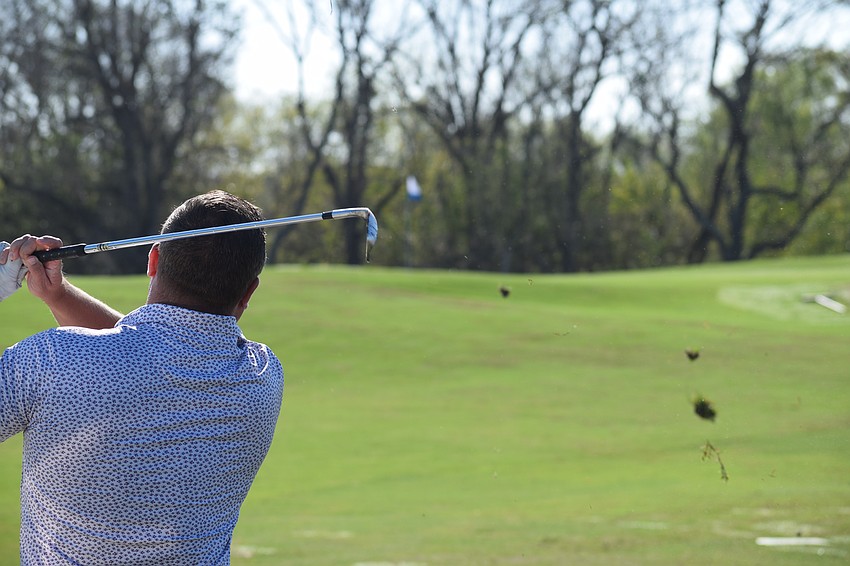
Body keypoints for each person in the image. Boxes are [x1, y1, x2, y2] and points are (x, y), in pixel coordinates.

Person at [0, 190, 284, 564]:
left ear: (153, 259)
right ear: (249, 292)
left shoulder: (49, 361)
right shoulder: (263, 376)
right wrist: (60, 296)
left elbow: (140, 352)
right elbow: (155, 354)